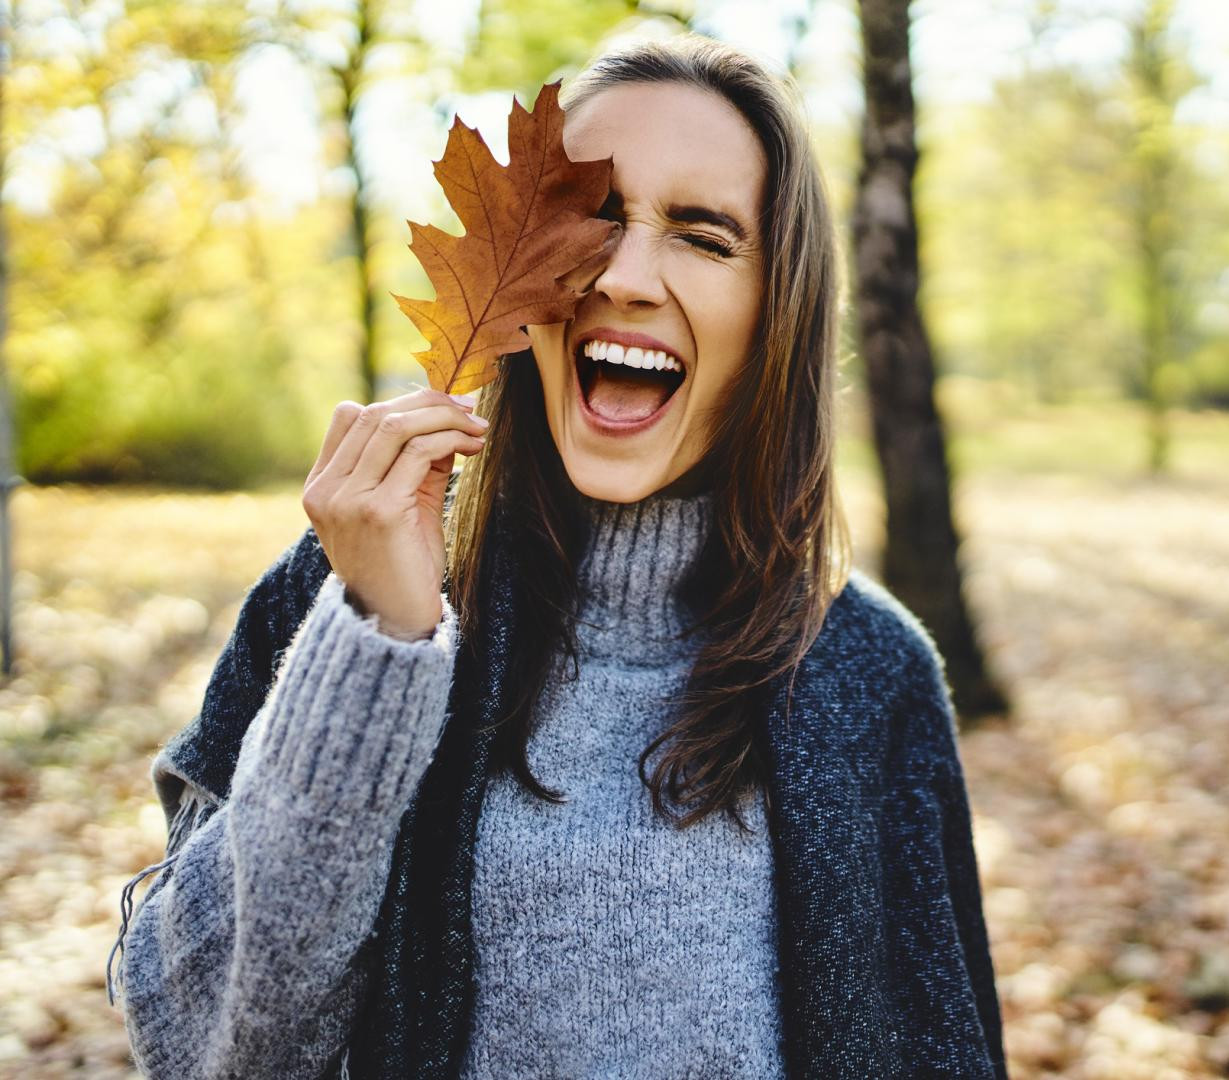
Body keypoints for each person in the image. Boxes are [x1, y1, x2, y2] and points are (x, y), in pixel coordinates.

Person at [107, 35, 1006, 1080]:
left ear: (777, 314)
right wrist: (375, 648)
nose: (624, 275)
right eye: (592, 219)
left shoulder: (869, 669)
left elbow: (944, 1046)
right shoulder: (332, 601)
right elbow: (207, 1048)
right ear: (513, 275)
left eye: (703, 237)